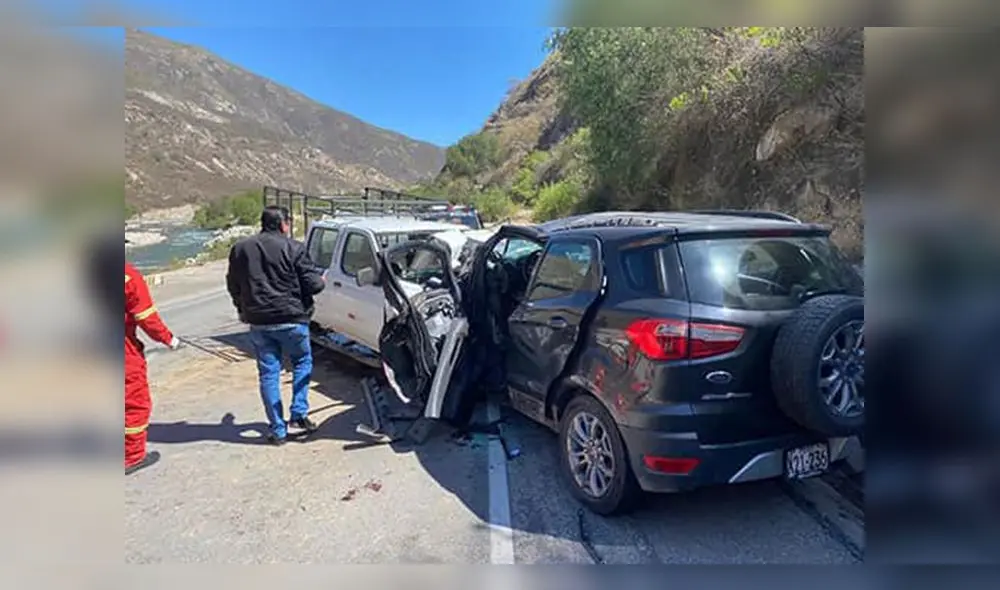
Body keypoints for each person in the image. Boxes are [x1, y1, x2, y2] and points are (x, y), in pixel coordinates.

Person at [226, 206, 326, 445]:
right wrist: (321, 280)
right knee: (302, 362)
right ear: (284, 224)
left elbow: (233, 284)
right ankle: (299, 414)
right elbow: (314, 286)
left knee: (269, 374)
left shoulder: (241, 249)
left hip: (259, 322)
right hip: (292, 320)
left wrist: (242, 308)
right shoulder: (294, 248)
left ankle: (278, 430)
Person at [125, 259, 181, 474]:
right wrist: (168, 339)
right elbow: (146, 317)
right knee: (134, 401)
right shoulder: (127, 275)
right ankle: (132, 456)